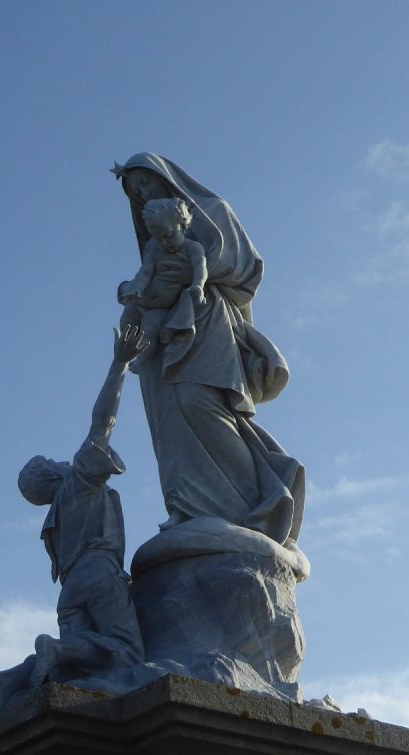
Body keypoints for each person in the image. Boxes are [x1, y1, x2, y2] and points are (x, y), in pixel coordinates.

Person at [113, 153, 305, 545]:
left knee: (201, 402)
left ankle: (261, 497)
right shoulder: (154, 247)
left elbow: (247, 269)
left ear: (162, 177)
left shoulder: (215, 211)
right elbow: (147, 283)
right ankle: (189, 507)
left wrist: (193, 277)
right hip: (165, 331)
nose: (142, 195)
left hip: (208, 317)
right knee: (169, 419)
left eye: (145, 184)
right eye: (134, 193)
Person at [0, 326, 150, 715]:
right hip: (99, 576)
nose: (62, 461)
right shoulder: (78, 484)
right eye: (54, 463)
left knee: (78, 662)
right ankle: (54, 649)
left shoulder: (53, 522)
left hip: (70, 591)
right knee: (127, 653)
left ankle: (7, 679)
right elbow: (101, 423)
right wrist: (120, 363)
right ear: (54, 476)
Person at [119, 197, 208, 365]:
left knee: (150, 331)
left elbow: (200, 268)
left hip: (159, 309)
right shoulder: (154, 247)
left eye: (168, 235)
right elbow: (146, 270)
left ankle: (140, 360)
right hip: (141, 300)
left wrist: (198, 285)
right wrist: (137, 287)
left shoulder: (193, 248)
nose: (164, 242)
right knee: (127, 321)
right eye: (158, 238)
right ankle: (122, 350)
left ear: (182, 224)